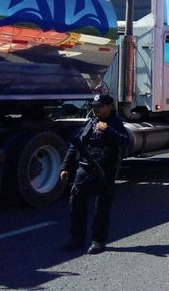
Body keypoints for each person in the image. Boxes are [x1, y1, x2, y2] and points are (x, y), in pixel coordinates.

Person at [59, 94, 130, 255]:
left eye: (99, 106)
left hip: (104, 173)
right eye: (94, 106)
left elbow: (125, 141)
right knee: (76, 205)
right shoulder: (90, 122)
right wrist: (65, 167)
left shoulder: (115, 124)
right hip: (83, 171)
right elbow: (75, 145)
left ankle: (98, 241)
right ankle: (76, 238)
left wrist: (107, 130)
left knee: (101, 209)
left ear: (109, 106)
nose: (95, 108)